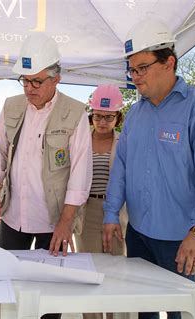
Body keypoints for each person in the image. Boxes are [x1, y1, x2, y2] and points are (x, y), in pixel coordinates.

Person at [102, 19, 195, 319]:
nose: (135, 76)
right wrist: (111, 214)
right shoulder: (135, 114)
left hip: (180, 237)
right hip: (137, 233)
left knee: (178, 313)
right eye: (131, 69)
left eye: (142, 68)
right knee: (143, 311)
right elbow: (121, 166)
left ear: (168, 62)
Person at [0, 33, 92, 258]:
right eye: (25, 80)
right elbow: (0, 152)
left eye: (37, 81)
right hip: (13, 217)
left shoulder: (75, 113)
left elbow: (80, 173)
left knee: (50, 285)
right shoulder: (11, 107)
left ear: (56, 79)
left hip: (53, 222)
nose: (29, 88)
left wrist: (66, 222)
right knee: (10, 275)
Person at [73, 84, 128, 319]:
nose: (102, 121)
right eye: (97, 116)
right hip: (87, 213)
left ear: (118, 117)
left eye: (108, 117)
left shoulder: (124, 141)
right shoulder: (79, 140)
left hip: (116, 213)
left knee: (116, 273)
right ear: (91, 115)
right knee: (89, 273)